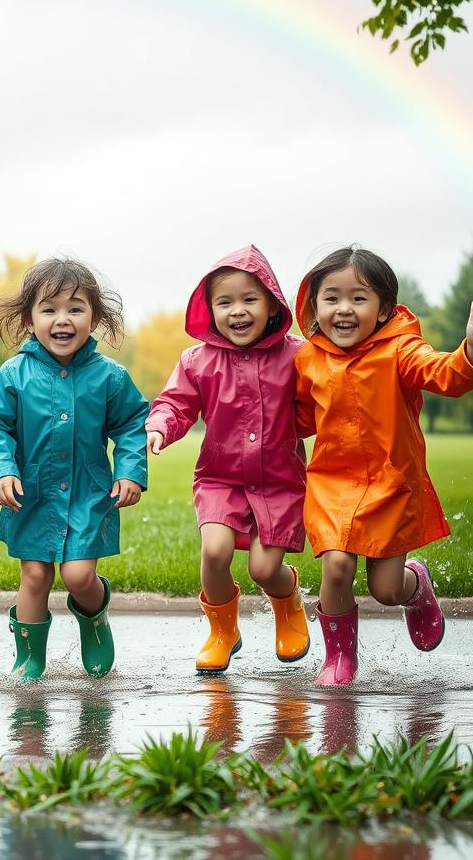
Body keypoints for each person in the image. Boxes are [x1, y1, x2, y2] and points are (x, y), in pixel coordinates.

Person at [294, 245, 473, 686]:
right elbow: (299, 416)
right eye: (332, 297)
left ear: (382, 310)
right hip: (331, 484)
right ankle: (339, 660)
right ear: (314, 306)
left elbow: (444, 374)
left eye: (359, 298)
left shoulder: (401, 349)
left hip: (390, 484)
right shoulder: (307, 359)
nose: (344, 308)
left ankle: (415, 587)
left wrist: (470, 354)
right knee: (337, 567)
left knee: (384, 590)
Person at [0, 257, 148, 680]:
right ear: (28, 318)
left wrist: (129, 471)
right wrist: (1, 471)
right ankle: (30, 656)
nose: (62, 320)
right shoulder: (14, 373)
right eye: (48, 309)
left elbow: (131, 424)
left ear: (95, 316)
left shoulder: (109, 376)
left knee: (77, 575)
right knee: (34, 574)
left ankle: (94, 617)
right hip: (31, 491)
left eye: (75, 308)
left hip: (88, 493)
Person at [146, 246, 310, 674]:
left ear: (272, 304)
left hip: (279, 481)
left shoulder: (298, 356)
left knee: (263, 568)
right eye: (225, 302)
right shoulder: (198, 360)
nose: (237, 311)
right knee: (215, 552)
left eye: (249, 300)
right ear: (210, 309)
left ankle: (288, 598)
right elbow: (175, 403)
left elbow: (322, 401)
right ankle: (223, 631)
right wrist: (161, 425)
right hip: (220, 478)